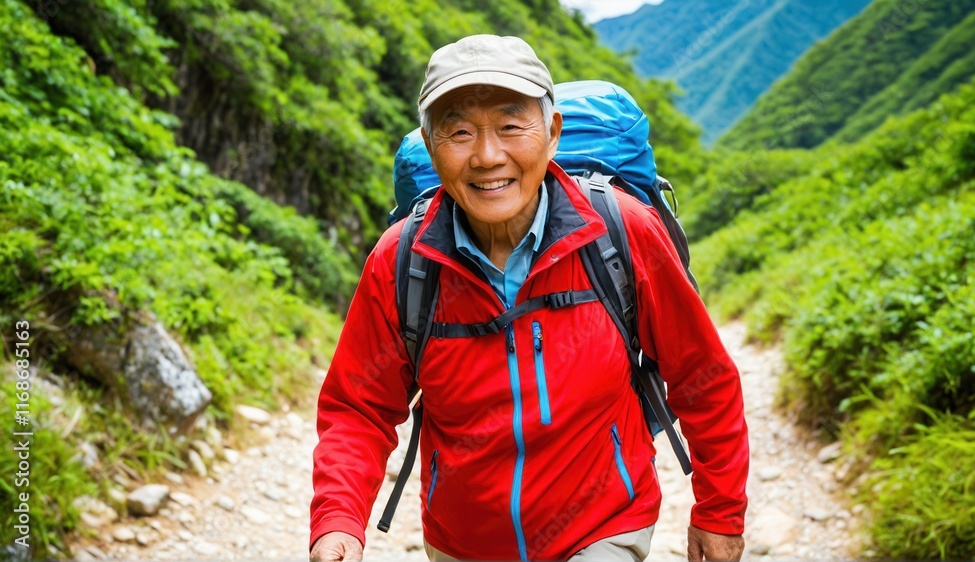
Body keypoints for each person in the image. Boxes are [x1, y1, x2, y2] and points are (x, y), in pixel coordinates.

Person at [310, 34, 749, 562]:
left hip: (602, 527)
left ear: (553, 133)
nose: (488, 156)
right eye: (459, 132)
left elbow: (702, 374)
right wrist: (337, 518)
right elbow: (359, 408)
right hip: (461, 543)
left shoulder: (621, 232)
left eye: (512, 126)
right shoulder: (403, 261)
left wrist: (720, 511)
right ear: (431, 147)